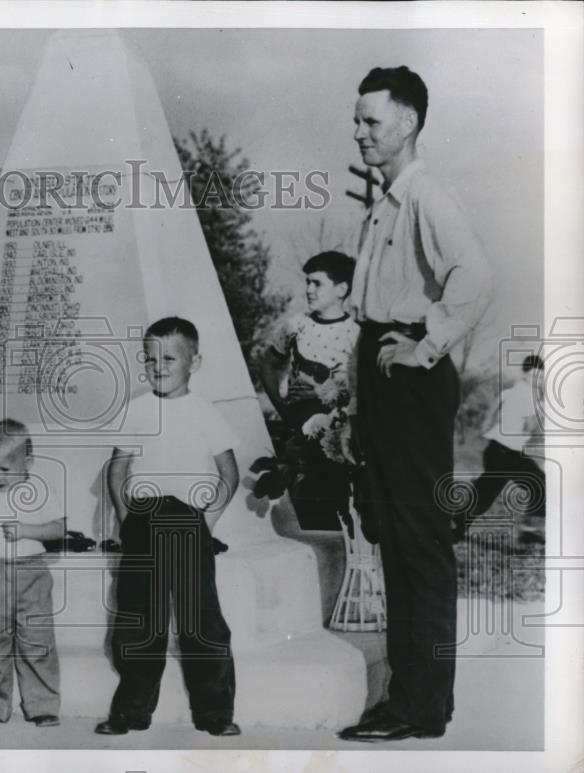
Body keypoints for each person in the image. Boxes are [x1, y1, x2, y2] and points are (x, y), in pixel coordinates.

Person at [337, 67, 491, 743]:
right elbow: (369, 315)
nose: (361, 131)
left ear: (408, 123)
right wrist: (353, 401)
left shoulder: (426, 192)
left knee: (419, 544)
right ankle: (420, 698)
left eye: (372, 120)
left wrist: (425, 348)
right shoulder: (386, 201)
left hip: (411, 385)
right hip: (382, 379)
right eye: (358, 119)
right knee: (398, 541)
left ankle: (417, 706)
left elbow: (476, 277)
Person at [95, 317, 241, 737]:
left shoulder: (205, 412)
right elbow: (119, 468)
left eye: (170, 358)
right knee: (139, 621)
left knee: (201, 621)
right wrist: (128, 520)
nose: (158, 366)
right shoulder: (137, 408)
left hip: (188, 522)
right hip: (143, 520)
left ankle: (215, 713)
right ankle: (131, 711)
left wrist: (205, 521)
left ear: (194, 362)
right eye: (150, 358)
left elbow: (228, 473)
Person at [0, 419, 66, 727]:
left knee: (36, 640)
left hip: (31, 573)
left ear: (27, 461)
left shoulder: (42, 490)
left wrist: (26, 530)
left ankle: (42, 704)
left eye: (4, 469)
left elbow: (58, 529)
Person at [258, 251, 359, 529]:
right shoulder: (296, 325)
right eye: (307, 282)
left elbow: (360, 389)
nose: (309, 290)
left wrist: (322, 392)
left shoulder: (356, 333)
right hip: (298, 431)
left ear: (342, 289)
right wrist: (282, 406)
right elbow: (267, 364)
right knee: (302, 506)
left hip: (337, 436)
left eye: (317, 283)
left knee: (335, 508)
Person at [458, 354, 545, 542]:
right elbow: (530, 427)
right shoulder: (530, 396)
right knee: (541, 484)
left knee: (483, 495)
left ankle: (454, 527)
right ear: (526, 374)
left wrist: (485, 433)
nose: (539, 380)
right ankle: (529, 529)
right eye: (536, 375)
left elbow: (492, 412)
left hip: (495, 450)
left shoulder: (510, 391)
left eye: (541, 376)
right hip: (508, 454)